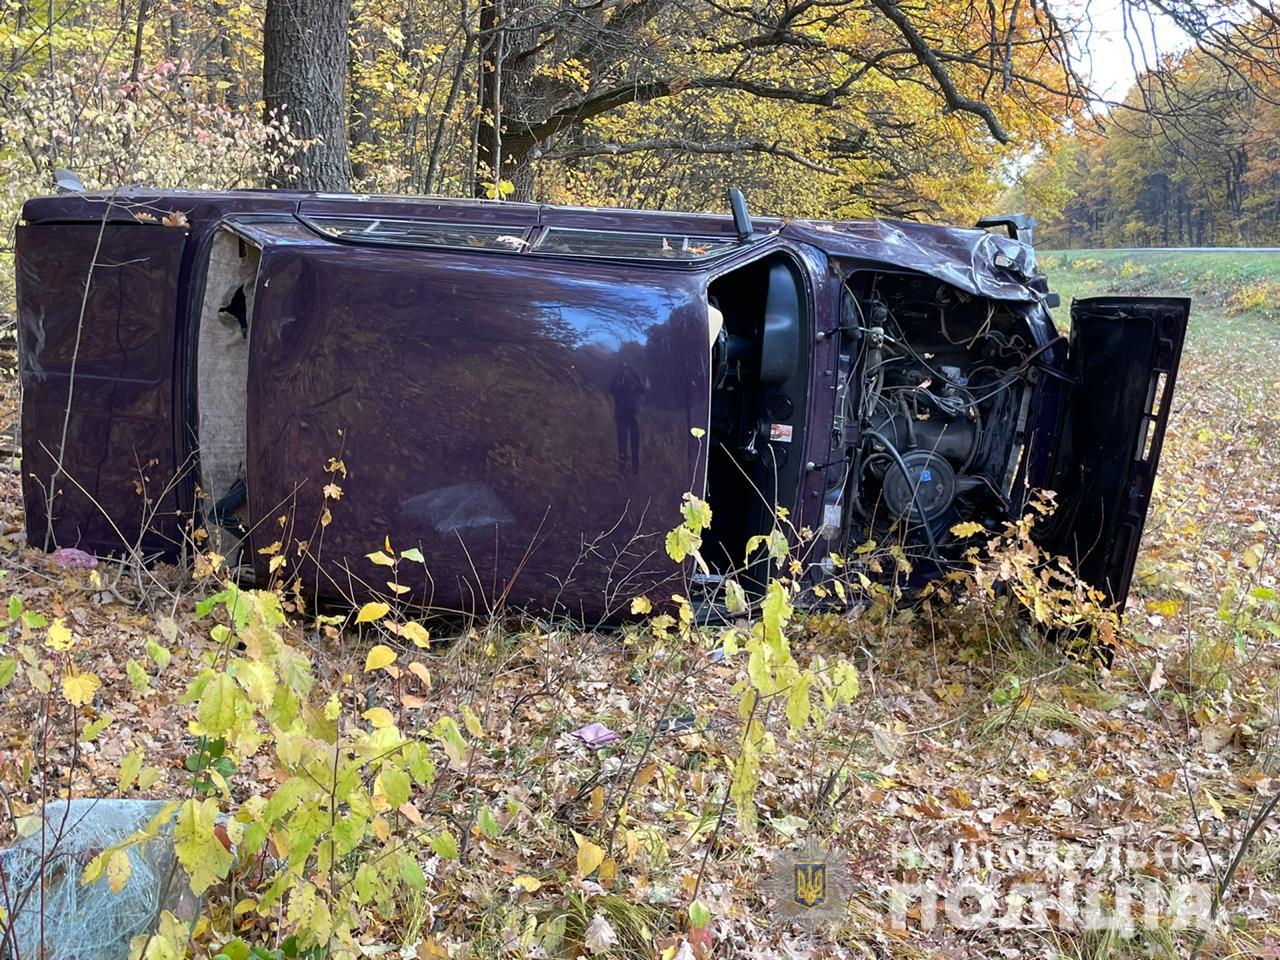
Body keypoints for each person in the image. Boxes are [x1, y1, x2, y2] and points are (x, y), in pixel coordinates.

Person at [610, 361, 645, 475]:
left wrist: (634, 374)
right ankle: (622, 470)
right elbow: (610, 389)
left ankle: (634, 470)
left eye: (626, 370)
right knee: (622, 445)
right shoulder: (618, 383)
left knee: (634, 444)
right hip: (622, 417)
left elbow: (642, 390)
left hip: (631, 416)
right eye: (623, 370)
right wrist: (618, 376)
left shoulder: (632, 383)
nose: (625, 373)